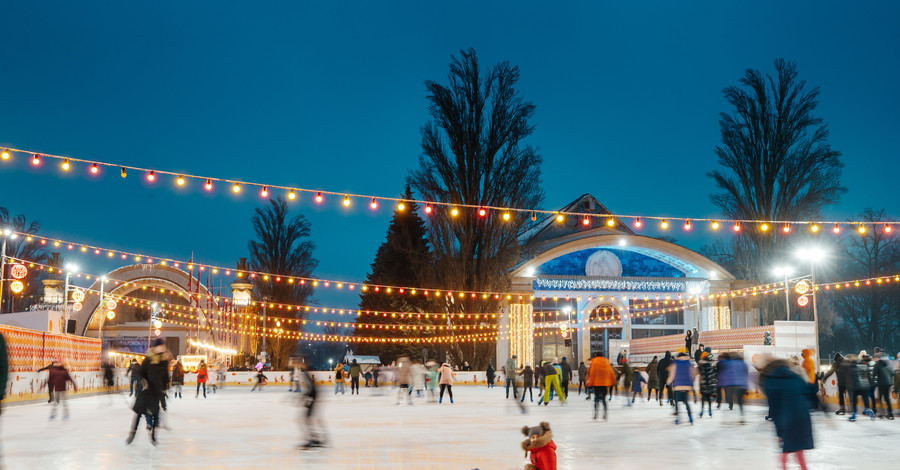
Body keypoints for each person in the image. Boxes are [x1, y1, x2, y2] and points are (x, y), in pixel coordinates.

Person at [760, 357, 816, 470]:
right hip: (802, 419)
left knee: (786, 450)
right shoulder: (797, 378)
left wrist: (779, 433)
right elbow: (810, 394)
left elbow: (774, 409)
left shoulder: (770, 382)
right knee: (799, 449)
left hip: (787, 420)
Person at [126, 339, 171, 445]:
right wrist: (143, 381)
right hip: (146, 392)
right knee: (138, 414)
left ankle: (153, 435)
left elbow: (165, 375)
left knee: (156, 414)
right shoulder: (148, 359)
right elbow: (139, 373)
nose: (162, 348)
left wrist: (165, 387)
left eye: (163, 346)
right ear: (155, 347)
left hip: (156, 392)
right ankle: (132, 434)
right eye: (160, 346)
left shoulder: (163, 361)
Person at [297, 360, 326, 448]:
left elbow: (311, 390)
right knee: (307, 420)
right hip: (313, 399)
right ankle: (314, 439)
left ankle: (313, 439)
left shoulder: (306, 375)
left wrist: (305, 399)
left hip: (313, 399)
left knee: (306, 420)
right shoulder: (306, 374)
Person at [718, 353, 749, 422]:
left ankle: (728, 415)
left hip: (732, 384)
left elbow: (725, 373)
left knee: (730, 398)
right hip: (742, 385)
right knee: (740, 401)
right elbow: (746, 373)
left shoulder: (730, 364)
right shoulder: (743, 364)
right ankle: (742, 415)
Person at [667, 352, 696, 424]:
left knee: (676, 402)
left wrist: (668, 382)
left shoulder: (675, 363)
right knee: (686, 402)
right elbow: (692, 374)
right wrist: (691, 383)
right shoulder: (689, 363)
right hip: (687, 386)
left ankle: (678, 418)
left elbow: (672, 374)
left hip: (678, 386)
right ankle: (690, 417)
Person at [585, 352, 615, 420]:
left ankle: (596, 414)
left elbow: (591, 374)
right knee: (604, 399)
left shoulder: (593, 361)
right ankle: (605, 414)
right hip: (605, 384)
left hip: (596, 384)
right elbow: (611, 373)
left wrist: (590, 384)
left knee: (596, 399)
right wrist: (613, 382)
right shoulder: (607, 362)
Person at [845, 354, 875, 421]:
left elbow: (852, 379)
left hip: (856, 387)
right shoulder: (864, 367)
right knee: (865, 400)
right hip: (865, 386)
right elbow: (868, 375)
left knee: (854, 401)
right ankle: (870, 412)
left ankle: (854, 415)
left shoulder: (851, 368)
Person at [873, 352, 895, 419]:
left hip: (881, 383)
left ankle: (882, 413)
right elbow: (892, 373)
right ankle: (890, 413)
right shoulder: (889, 363)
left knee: (880, 398)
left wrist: (875, 381)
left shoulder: (877, 364)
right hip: (888, 383)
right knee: (887, 398)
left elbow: (874, 374)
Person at [698, 351, 717, 418]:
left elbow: (701, 377)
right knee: (709, 400)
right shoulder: (711, 367)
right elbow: (713, 378)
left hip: (703, 386)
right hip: (709, 386)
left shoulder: (702, 367)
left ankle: (702, 411)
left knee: (703, 400)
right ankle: (710, 412)